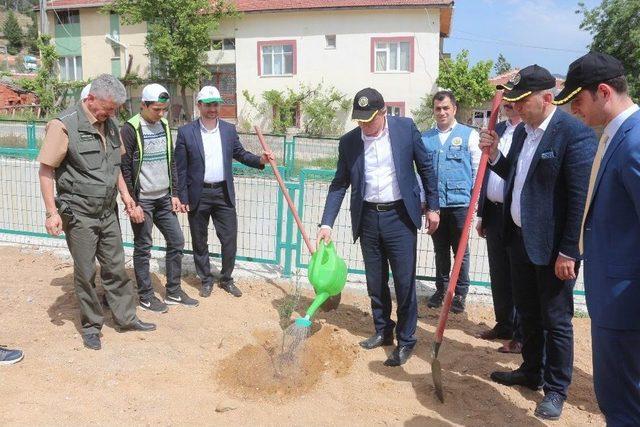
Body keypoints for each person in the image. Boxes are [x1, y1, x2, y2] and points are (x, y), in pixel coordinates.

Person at [479, 65, 597, 420]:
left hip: (552, 250)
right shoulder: (522, 133)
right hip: (518, 241)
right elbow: (516, 176)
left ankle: (557, 388)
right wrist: (495, 155)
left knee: (556, 320)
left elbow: (579, 200)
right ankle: (531, 370)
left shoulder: (573, 134)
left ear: (547, 98)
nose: (514, 107)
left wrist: (568, 251)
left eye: (521, 101)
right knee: (527, 313)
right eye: (511, 100)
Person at [318, 87, 440, 367]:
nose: (365, 126)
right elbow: (339, 185)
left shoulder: (405, 129)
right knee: (375, 281)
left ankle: (407, 339)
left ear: (384, 113)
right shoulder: (349, 143)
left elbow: (426, 169)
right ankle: (383, 329)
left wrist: (433, 207)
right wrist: (327, 223)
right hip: (368, 218)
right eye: (360, 120)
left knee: (404, 281)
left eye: (369, 120)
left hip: (400, 216)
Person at [38, 74, 156, 351]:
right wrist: (51, 212)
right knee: (86, 271)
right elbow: (46, 170)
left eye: (115, 109)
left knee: (116, 266)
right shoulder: (63, 125)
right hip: (79, 214)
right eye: (107, 107)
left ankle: (126, 317)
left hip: (107, 211)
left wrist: (127, 197)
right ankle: (92, 326)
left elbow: (114, 167)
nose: (111, 113)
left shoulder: (111, 125)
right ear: (90, 99)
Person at [555, 52, 640, 425]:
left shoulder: (634, 142)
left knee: (624, 406)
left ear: (603, 92)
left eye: (578, 101)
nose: (575, 112)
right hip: (615, 300)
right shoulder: (617, 137)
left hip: (627, 306)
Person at [174, 86, 272, 298]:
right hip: (197, 194)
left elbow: (240, 154)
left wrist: (260, 161)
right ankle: (206, 279)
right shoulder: (186, 132)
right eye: (208, 104)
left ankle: (226, 279)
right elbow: (180, 168)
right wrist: (181, 196)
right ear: (199, 105)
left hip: (223, 193)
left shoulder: (228, 130)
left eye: (216, 104)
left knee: (229, 239)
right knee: (199, 240)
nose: (212, 109)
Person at [120, 83, 198, 313]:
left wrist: (174, 193)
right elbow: (124, 169)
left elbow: (170, 161)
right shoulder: (130, 129)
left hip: (164, 199)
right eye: (156, 109)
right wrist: (131, 204)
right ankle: (145, 296)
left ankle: (173, 291)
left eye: (164, 109)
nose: (161, 114)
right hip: (142, 201)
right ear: (143, 105)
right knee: (143, 247)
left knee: (177, 241)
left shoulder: (164, 125)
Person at [421, 90, 481, 314]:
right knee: (440, 250)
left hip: (460, 204)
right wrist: (424, 202)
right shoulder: (425, 139)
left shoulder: (469, 135)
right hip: (436, 206)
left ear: (454, 109)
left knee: (461, 251)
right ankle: (442, 289)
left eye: (446, 108)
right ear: (433, 111)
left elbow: (477, 171)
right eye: (438, 109)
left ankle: (460, 293)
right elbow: (420, 174)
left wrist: (475, 204)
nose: (442, 112)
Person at [476, 101, 523, 354]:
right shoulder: (500, 130)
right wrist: (482, 214)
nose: (508, 105)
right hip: (493, 211)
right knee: (498, 273)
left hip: (512, 212)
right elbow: (487, 174)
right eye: (506, 102)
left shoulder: (528, 131)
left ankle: (520, 332)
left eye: (514, 101)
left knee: (518, 275)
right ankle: (503, 324)